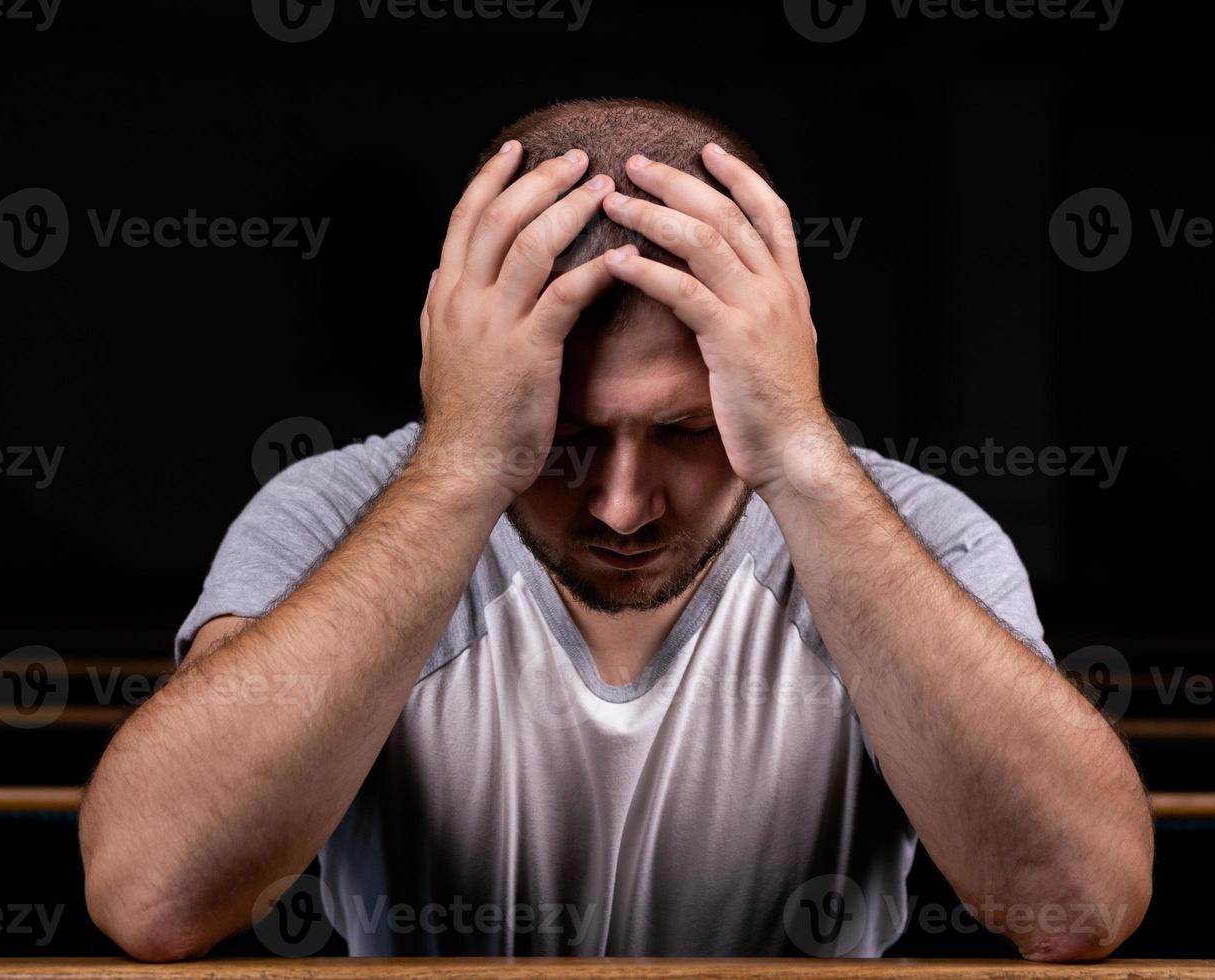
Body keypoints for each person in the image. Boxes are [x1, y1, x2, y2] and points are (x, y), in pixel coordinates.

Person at [78, 97, 1153, 961]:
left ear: (767, 367)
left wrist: (803, 454)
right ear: (471, 367)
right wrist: (461, 464)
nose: (623, 504)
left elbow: (1077, 903)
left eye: (687, 430)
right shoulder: (331, 514)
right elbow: (154, 893)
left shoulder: (920, 533)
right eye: (562, 438)